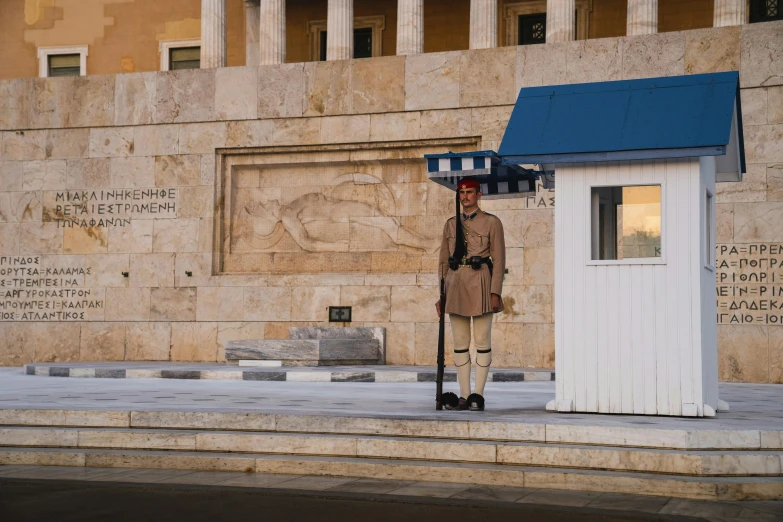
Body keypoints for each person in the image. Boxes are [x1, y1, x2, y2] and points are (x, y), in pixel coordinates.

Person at [435, 177, 506, 411]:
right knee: (460, 343)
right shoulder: (450, 224)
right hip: (456, 285)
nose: (465, 196)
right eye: (462, 192)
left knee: (483, 340)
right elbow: (444, 262)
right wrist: (442, 293)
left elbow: (499, 258)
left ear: (479, 195)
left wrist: (495, 292)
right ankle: (465, 395)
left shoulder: (491, 222)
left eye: (469, 192)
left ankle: (478, 394)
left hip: (482, 281)